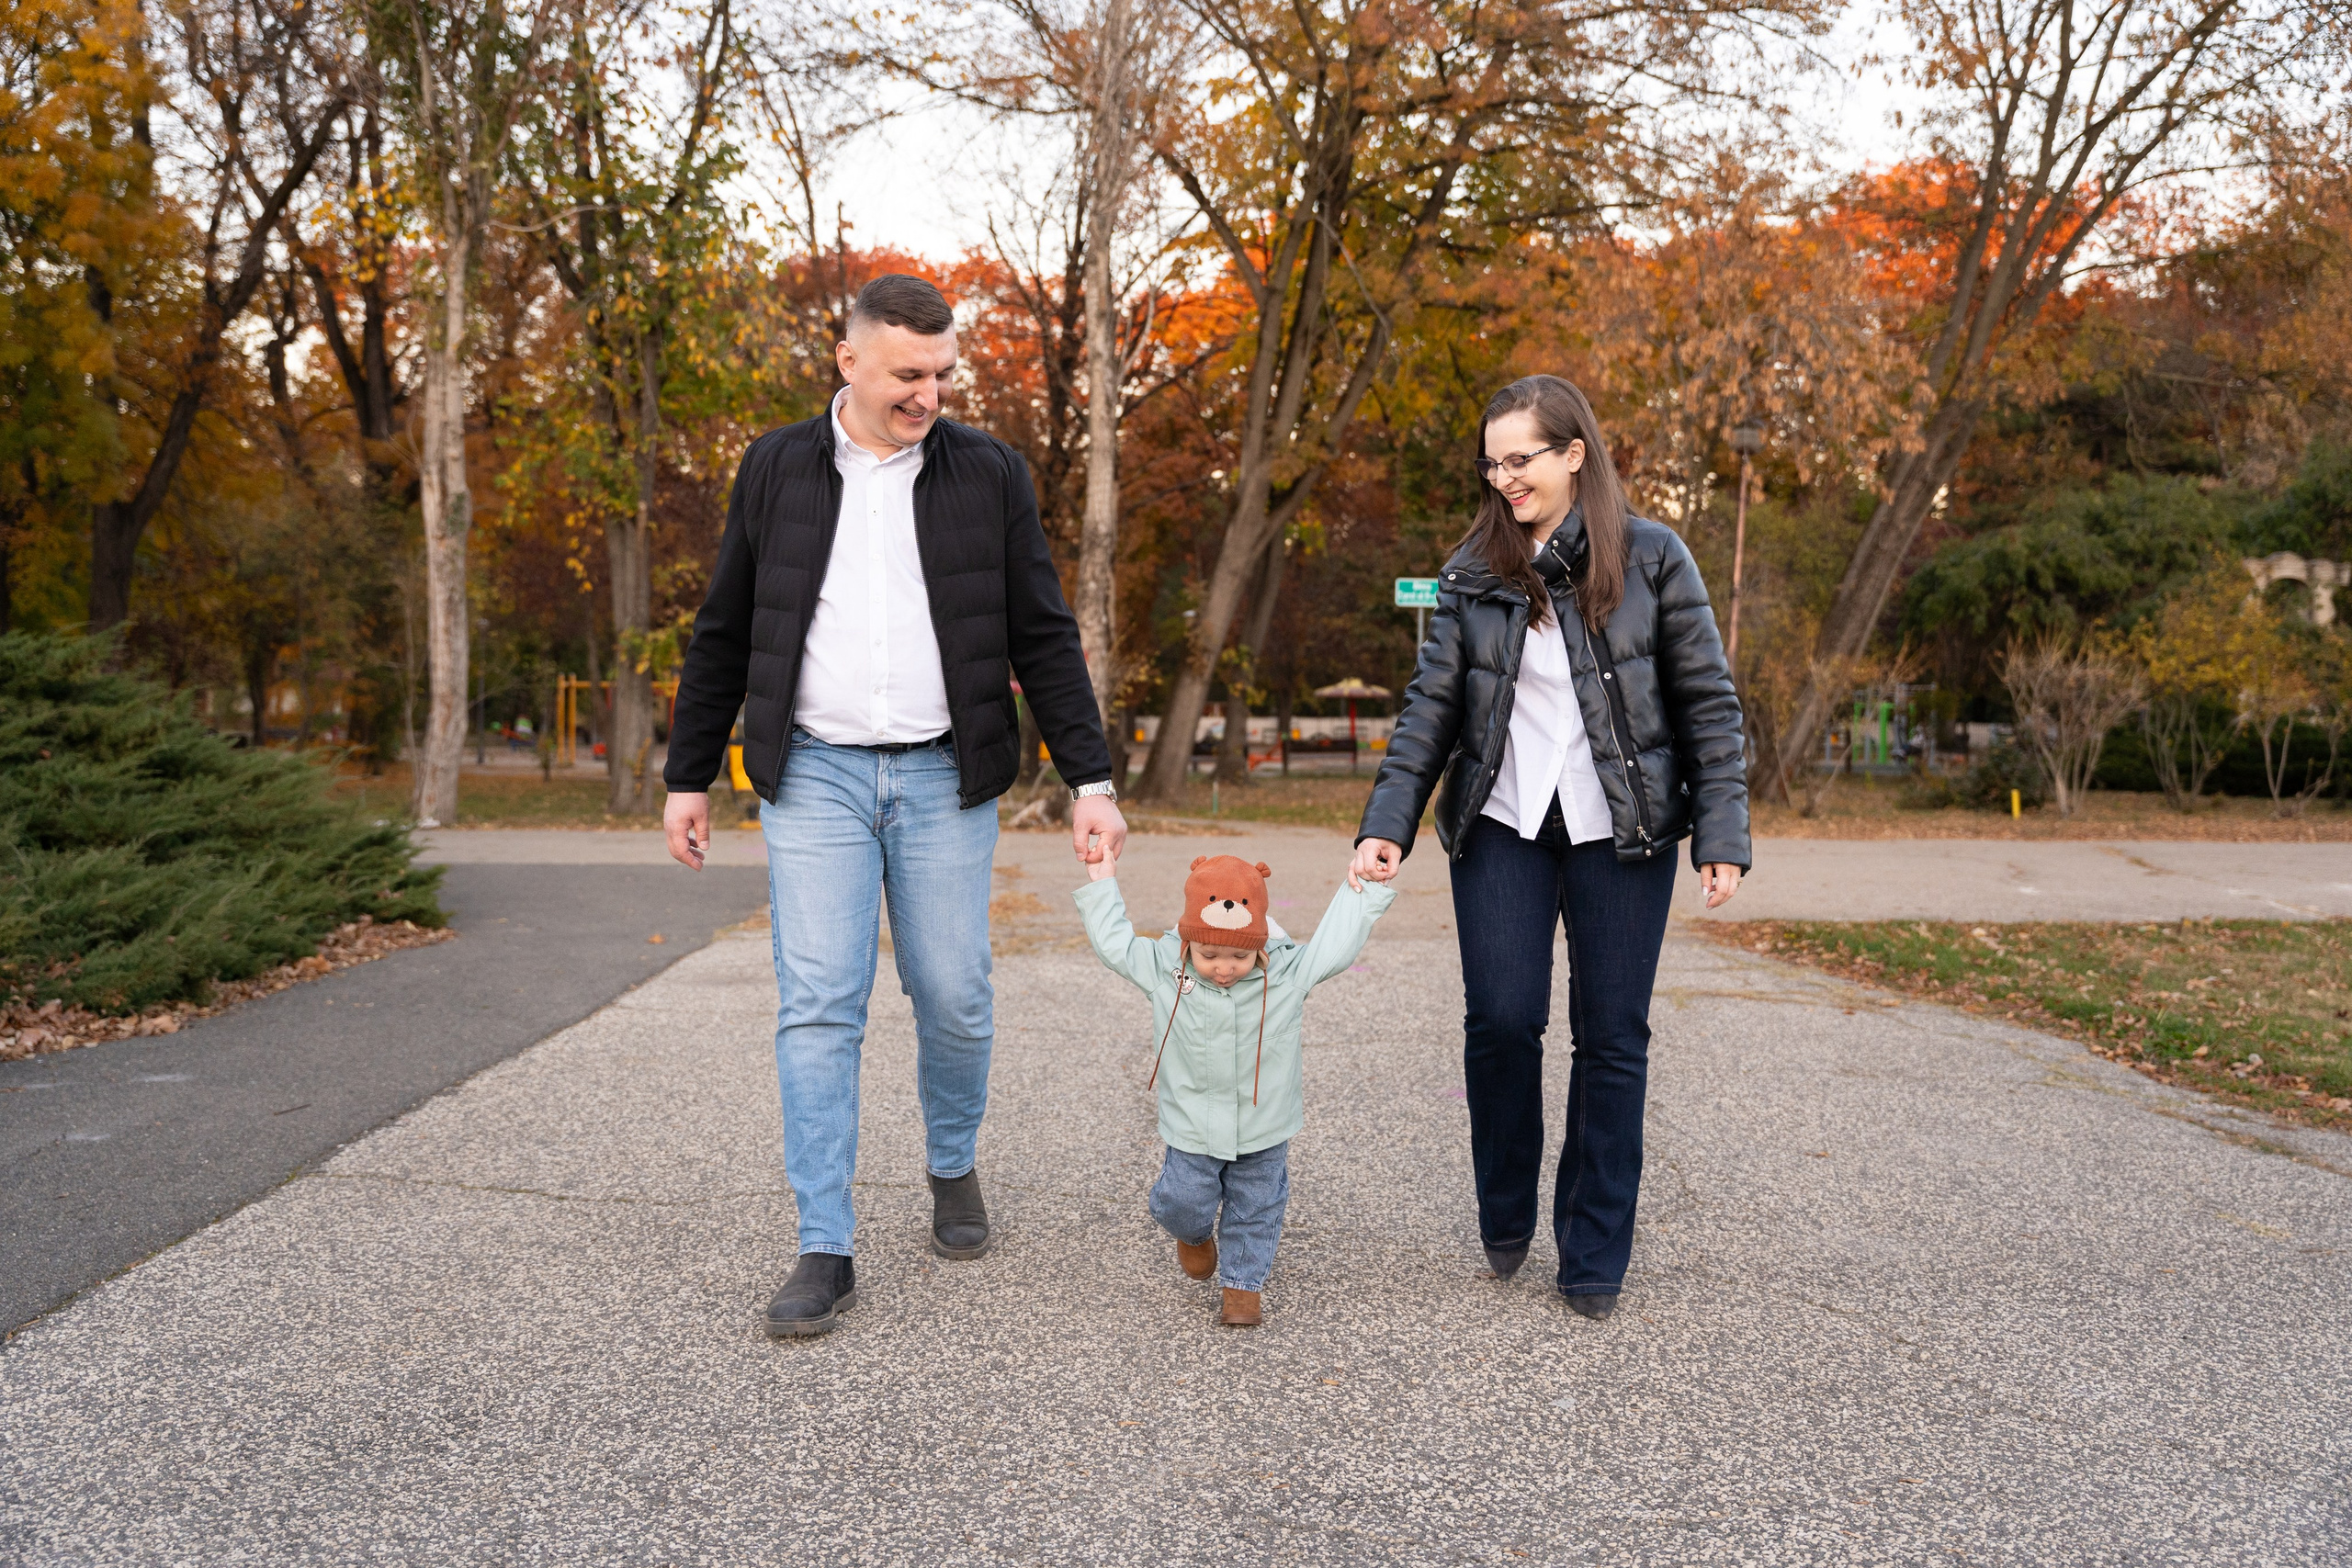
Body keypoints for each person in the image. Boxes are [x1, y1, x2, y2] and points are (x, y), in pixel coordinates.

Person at [662, 274, 1127, 1337]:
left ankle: (950, 1162)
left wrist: (1090, 783)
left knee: (953, 991)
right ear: (850, 361)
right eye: (909, 375)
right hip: (814, 770)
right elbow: (724, 628)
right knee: (820, 1000)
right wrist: (690, 774)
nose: (929, 394)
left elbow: (1043, 633)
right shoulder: (777, 466)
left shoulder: (988, 473)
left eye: (943, 374)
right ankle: (824, 1243)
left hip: (940, 769)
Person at [1351, 374, 1750, 1322]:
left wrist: (1721, 836)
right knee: (1499, 1019)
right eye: (1491, 463)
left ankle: (1594, 1250)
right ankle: (1503, 1210)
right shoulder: (1473, 568)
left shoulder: (1653, 558)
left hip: (1627, 833)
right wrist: (1386, 823)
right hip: (1503, 825)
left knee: (1611, 1038)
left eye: (1519, 458)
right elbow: (1430, 711)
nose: (1503, 478)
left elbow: (1707, 705)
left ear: (1574, 453)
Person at [1074, 848, 1395, 1325]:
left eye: (1240, 956)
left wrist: (1367, 887)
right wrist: (1102, 882)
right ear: (1188, 942)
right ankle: (1193, 1233)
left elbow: (1335, 944)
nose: (1224, 968)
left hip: (1264, 1127)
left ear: (1261, 946)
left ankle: (1242, 1288)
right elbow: (1115, 944)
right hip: (1192, 1126)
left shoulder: (1286, 975)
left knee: (1255, 1207)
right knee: (1183, 1200)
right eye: (1209, 955)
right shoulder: (1166, 968)